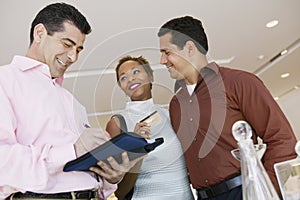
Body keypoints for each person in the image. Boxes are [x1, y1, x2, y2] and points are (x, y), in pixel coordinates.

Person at [0, 3, 141, 200]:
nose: (73, 57)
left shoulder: (73, 103)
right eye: (66, 44)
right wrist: (73, 150)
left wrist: (111, 177)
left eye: (79, 49)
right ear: (39, 33)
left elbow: (89, 174)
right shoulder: (4, 81)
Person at [157, 16, 298, 199]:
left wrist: (263, 192)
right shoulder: (176, 105)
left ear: (190, 48)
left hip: (244, 191)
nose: (162, 60)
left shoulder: (239, 83)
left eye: (167, 52)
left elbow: (282, 139)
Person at [106, 55, 194, 199]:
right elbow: (119, 192)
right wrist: (137, 148)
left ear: (150, 76)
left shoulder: (171, 114)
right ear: (122, 87)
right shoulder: (117, 124)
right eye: (123, 77)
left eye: (136, 72)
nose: (130, 79)